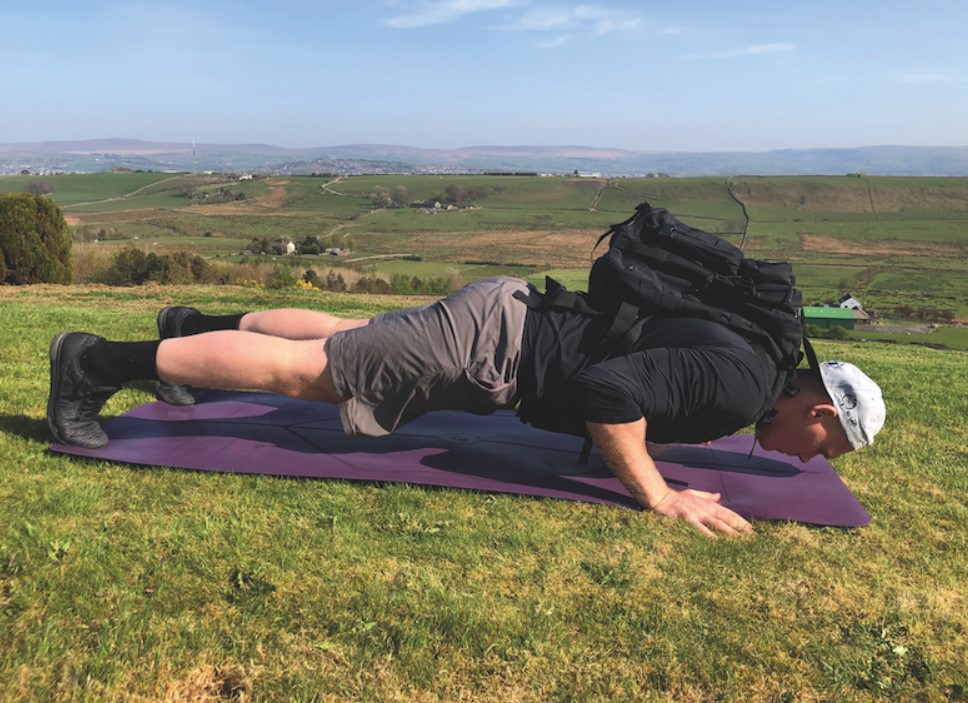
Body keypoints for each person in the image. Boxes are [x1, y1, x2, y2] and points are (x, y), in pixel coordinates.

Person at [47, 276, 886, 537]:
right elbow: (610, 394)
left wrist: (636, 446)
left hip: (508, 317)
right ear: (820, 409)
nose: (809, 462)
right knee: (313, 374)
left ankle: (191, 333)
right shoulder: (744, 386)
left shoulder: (754, 360)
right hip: (495, 347)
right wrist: (658, 492)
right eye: (825, 449)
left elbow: (640, 374)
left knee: (348, 334)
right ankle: (92, 364)